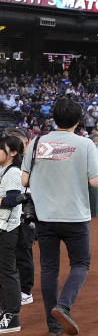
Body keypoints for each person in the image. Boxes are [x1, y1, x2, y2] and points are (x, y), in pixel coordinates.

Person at [22, 97, 98, 336]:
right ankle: (64, 305)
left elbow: (24, 180)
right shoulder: (85, 144)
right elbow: (95, 182)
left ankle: (53, 325)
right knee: (81, 264)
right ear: (79, 121)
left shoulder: (36, 142)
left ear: (53, 118)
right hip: (75, 215)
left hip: (45, 216)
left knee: (49, 268)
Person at [4, 127, 34, 307]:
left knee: (23, 253)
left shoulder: (30, 161)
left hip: (24, 213)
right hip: (7, 216)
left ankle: (25, 290)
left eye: (16, 139)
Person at [0, 135, 25, 334]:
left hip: (7, 229)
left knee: (7, 272)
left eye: (2, 148)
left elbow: (13, 200)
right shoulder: (3, 170)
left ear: (13, 153)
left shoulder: (13, 172)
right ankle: (5, 311)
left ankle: (12, 316)